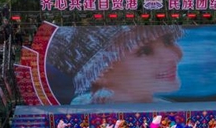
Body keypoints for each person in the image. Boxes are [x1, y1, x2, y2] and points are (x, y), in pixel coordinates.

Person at [47, 26, 185, 105]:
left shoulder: (164, 106)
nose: (174, 56)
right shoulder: (83, 107)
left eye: (168, 41)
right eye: (144, 51)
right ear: (99, 71)